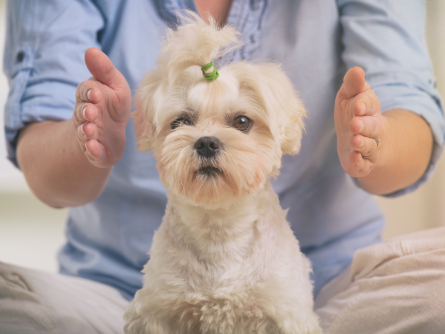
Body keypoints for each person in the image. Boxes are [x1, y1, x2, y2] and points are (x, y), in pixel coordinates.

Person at [2, 0, 445, 333]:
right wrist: (89, 140)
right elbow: (45, 161)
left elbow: (410, 106)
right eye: (182, 122)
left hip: (334, 288)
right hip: (113, 290)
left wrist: (374, 140)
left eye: (241, 122)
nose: (207, 140)